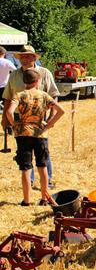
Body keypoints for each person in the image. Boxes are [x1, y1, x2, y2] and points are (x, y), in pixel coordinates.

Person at [2, 45, 60, 188]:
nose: (25, 59)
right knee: (24, 151)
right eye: (22, 57)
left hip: (40, 118)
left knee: (42, 149)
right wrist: (5, 119)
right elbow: (8, 98)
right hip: (19, 118)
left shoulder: (44, 73)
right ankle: (31, 180)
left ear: (34, 58)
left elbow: (53, 95)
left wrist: (51, 119)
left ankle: (48, 181)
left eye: (28, 56)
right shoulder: (14, 75)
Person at [5, 68, 64, 206]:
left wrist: (15, 124)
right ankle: (44, 198)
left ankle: (27, 200)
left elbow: (9, 111)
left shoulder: (19, 95)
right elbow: (61, 111)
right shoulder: (44, 95)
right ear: (38, 81)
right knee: (42, 165)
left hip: (23, 134)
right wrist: (49, 124)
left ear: (24, 81)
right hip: (40, 134)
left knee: (26, 167)